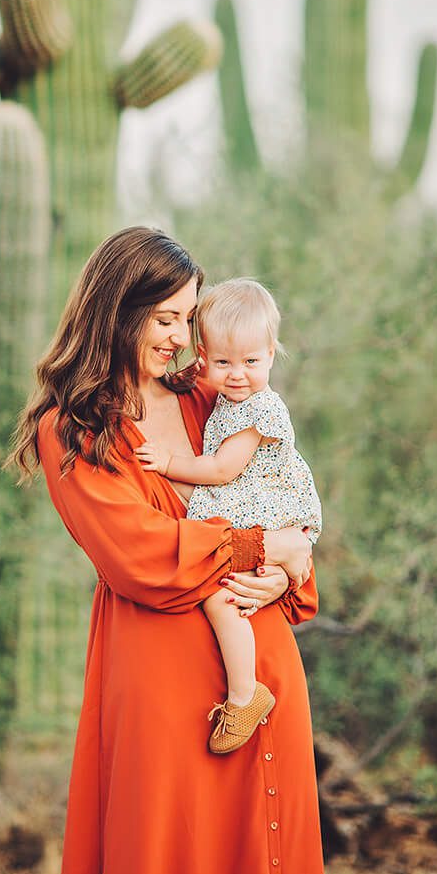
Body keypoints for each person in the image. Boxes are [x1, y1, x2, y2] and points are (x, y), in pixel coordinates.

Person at [7, 227, 332, 874]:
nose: (181, 337)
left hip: (262, 668)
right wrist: (260, 547)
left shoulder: (210, 400)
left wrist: (289, 560)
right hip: (162, 687)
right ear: (117, 311)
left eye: (188, 319)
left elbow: (281, 504)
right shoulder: (75, 430)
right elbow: (141, 557)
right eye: (164, 320)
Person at [133, 277, 325, 753]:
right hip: (254, 521)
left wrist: (169, 463)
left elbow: (221, 469)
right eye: (223, 362)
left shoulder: (258, 409)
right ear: (203, 356)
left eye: (252, 362)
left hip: (262, 512)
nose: (237, 374)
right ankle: (244, 690)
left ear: (272, 354)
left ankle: (244, 695)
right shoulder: (217, 398)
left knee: (221, 599)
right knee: (229, 593)